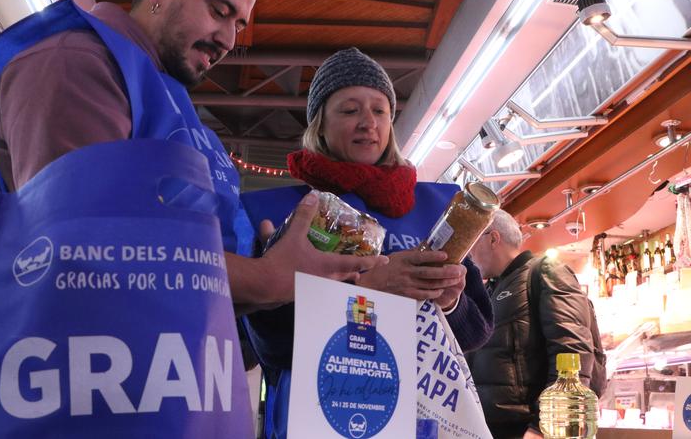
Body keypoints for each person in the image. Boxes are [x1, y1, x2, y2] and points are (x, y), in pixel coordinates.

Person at [0, 0, 384, 437]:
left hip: (155, 388)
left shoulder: (169, 103)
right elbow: (86, 252)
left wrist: (273, 265)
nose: (228, 39)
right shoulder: (76, 64)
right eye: (220, 11)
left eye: (239, 23)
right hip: (80, 397)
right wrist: (267, 278)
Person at [239, 47, 494, 439]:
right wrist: (365, 293)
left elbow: (476, 333)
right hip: (319, 420)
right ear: (319, 125)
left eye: (379, 110)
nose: (367, 123)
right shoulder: (287, 214)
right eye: (349, 110)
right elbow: (270, 345)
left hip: (421, 424)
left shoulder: (439, 211)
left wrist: (450, 303)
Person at [466, 209, 603, 439]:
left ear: (493, 238)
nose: (468, 252)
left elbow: (572, 350)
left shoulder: (545, 272)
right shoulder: (490, 290)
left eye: (471, 240)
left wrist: (541, 428)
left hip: (526, 429)